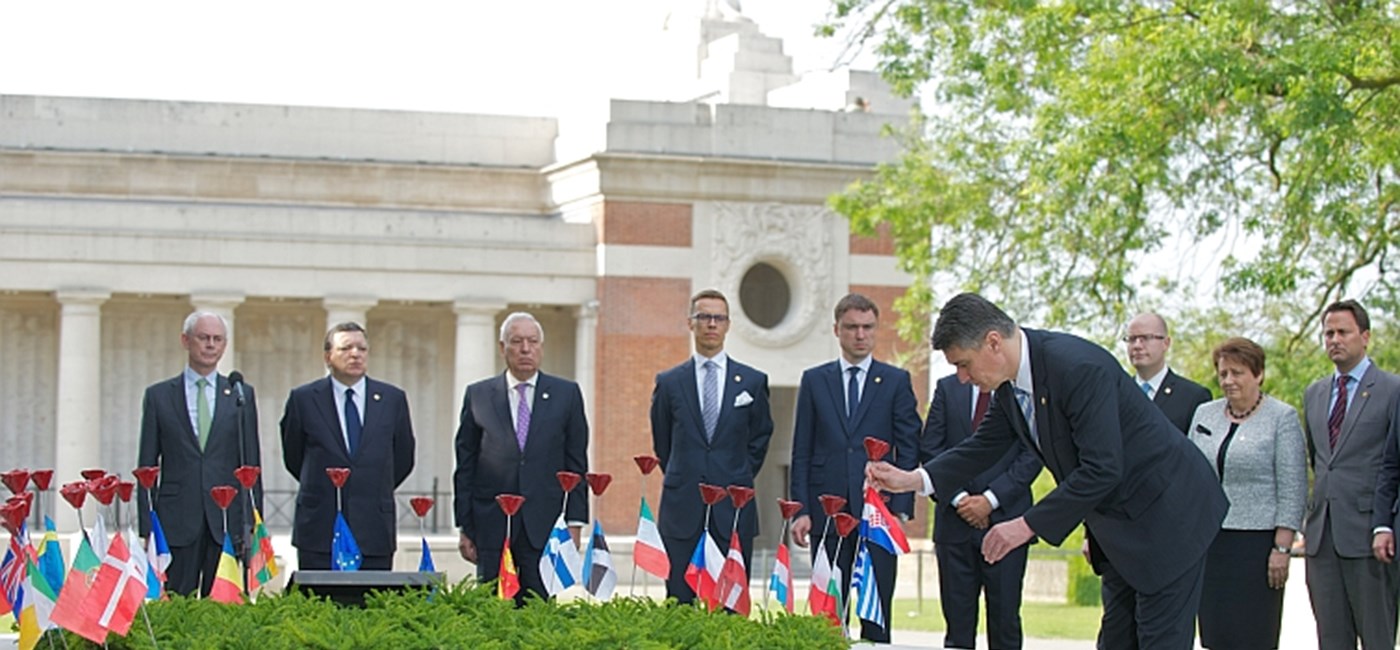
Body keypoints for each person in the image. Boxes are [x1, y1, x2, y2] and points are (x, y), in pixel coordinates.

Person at [867, 292, 1227, 649]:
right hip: (1120, 532)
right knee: (1116, 640)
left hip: (1171, 518)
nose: (962, 378)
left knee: (1158, 642)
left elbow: (1102, 468)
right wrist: (912, 479)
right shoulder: (1011, 387)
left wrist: (1024, 526)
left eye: (964, 364)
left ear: (993, 343)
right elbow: (981, 447)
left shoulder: (1077, 367)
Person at [789, 293, 921, 641]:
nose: (860, 335)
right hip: (826, 513)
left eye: (867, 327)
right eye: (852, 327)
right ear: (837, 330)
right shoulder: (815, 380)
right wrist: (800, 509)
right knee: (828, 617)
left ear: (876, 330)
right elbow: (801, 449)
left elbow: (909, 447)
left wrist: (902, 509)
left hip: (879, 517)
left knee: (876, 619)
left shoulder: (895, 381)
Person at [454, 312, 589, 603]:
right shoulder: (478, 395)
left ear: (541, 346)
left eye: (532, 341)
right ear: (502, 348)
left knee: (538, 612)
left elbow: (576, 463)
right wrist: (465, 526)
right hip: (492, 527)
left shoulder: (567, 395)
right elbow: (465, 464)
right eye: (516, 342)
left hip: (544, 526)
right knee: (492, 613)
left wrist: (575, 523)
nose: (525, 349)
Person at [651, 289, 774, 605]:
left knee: (730, 605)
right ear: (690, 323)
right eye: (704, 317)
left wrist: (737, 473)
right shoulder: (669, 383)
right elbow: (663, 442)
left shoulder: (752, 382)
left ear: (728, 325)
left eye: (718, 318)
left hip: (732, 507)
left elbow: (760, 438)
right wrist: (686, 473)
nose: (711, 324)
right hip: (682, 508)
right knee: (680, 601)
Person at [1187, 337, 1307, 650]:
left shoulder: (1282, 418)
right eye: (1223, 373)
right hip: (1210, 541)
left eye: (1237, 373)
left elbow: (1293, 487)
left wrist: (1282, 549)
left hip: (1258, 545)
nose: (1228, 381)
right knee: (1215, 635)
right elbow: (1189, 475)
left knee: (1253, 636)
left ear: (1258, 374)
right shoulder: (1204, 414)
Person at [136, 312, 262, 596]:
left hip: (227, 520)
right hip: (177, 518)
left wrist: (254, 521)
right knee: (178, 603)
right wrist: (147, 526)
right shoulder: (160, 396)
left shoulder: (241, 395)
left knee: (224, 607)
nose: (210, 345)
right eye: (203, 338)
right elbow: (146, 465)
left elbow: (251, 464)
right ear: (186, 341)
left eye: (217, 339)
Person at [1301, 300, 1400, 649]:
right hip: (1321, 538)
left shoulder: (1392, 390)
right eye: (1328, 333)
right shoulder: (1314, 394)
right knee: (1331, 640)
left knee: (1377, 638)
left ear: (1365, 336)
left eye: (1343, 332)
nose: (1334, 340)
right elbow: (1320, 460)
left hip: (1370, 538)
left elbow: (1394, 465)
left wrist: (1384, 525)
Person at [281, 321, 416, 570]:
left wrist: (368, 485)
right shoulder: (303, 399)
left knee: (372, 604)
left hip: (374, 527)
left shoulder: (392, 399)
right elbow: (294, 455)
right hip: (320, 527)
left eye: (361, 349)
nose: (355, 354)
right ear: (327, 357)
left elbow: (403, 456)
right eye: (346, 348)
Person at [922, 372, 1041, 650]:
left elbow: (1033, 453)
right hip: (954, 525)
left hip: (1007, 523)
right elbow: (931, 450)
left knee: (1005, 624)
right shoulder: (947, 388)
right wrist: (960, 499)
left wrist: (990, 499)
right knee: (957, 628)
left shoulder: (1022, 391)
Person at [1124, 312, 1212, 434]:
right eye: (1132, 339)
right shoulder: (1118, 393)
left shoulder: (1193, 397)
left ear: (1166, 343)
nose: (1137, 346)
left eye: (1146, 338)